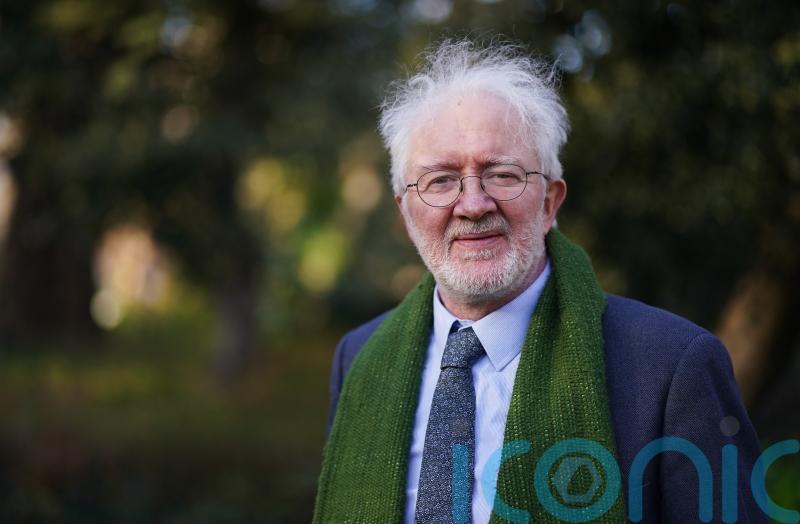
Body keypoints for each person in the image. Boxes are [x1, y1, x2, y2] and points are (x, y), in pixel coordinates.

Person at [313, 39, 768, 523]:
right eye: (441, 180)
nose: (473, 204)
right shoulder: (359, 358)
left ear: (550, 201)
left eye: (502, 174)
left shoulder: (673, 367)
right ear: (405, 211)